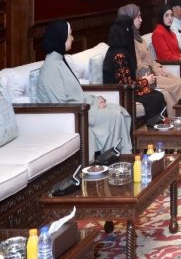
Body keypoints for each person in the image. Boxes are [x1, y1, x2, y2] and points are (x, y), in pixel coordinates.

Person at [36, 20, 132, 159]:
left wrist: (95, 100)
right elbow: (62, 106)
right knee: (115, 116)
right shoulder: (51, 68)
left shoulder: (59, 61)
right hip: (74, 115)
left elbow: (76, 94)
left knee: (119, 110)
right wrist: (92, 106)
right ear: (60, 38)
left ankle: (118, 157)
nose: (73, 38)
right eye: (70, 34)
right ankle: (114, 160)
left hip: (82, 109)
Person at [118, 4, 181, 118]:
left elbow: (151, 60)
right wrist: (154, 71)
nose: (141, 20)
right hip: (146, 77)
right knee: (179, 85)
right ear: (130, 18)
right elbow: (138, 67)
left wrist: (159, 68)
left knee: (179, 81)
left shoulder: (139, 37)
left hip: (153, 71)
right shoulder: (129, 41)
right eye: (138, 17)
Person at [103, 16, 167, 123]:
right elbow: (125, 85)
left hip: (128, 90)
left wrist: (144, 80)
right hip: (121, 94)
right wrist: (146, 81)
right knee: (155, 98)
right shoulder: (119, 55)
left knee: (157, 95)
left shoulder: (122, 50)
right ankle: (151, 129)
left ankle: (157, 127)